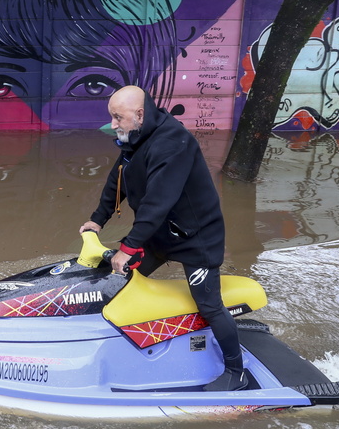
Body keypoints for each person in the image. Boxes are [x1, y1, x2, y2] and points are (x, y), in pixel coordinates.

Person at [79, 85, 247, 392]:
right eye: (112, 117)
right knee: (121, 282)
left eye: (118, 117)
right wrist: (97, 220)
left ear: (140, 114)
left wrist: (128, 246)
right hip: (158, 234)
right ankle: (133, 340)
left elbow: (158, 201)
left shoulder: (173, 143)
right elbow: (119, 179)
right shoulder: (135, 137)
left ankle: (236, 372)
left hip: (196, 237)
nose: (113, 124)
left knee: (208, 304)